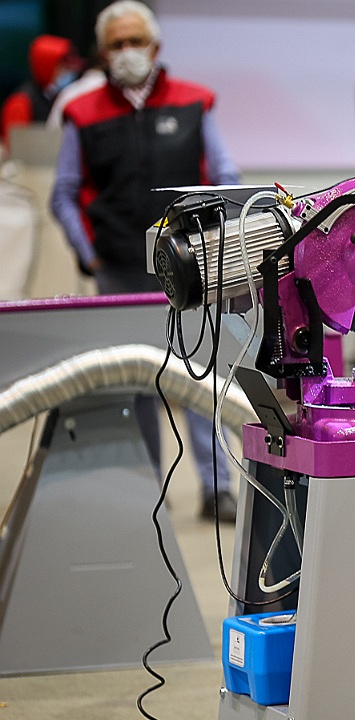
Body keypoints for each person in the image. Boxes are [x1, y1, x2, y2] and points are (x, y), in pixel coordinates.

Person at [49, 0, 237, 522]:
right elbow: (62, 193)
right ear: (102, 53)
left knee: (199, 374)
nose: (128, 52)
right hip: (119, 272)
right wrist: (90, 257)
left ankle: (216, 485)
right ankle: (147, 488)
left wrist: (220, 247)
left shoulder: (195, 102)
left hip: (194, 270)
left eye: (137, 41)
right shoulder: (81, 114)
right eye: (117, 44)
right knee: (136, 383)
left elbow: (223, 174)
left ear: (155, 46)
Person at [0, 35, 82, 147]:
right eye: (63, 67)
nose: (69, 72)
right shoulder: (20, 103)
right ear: (46, 66)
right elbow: (16, 150)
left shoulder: (60, 97)